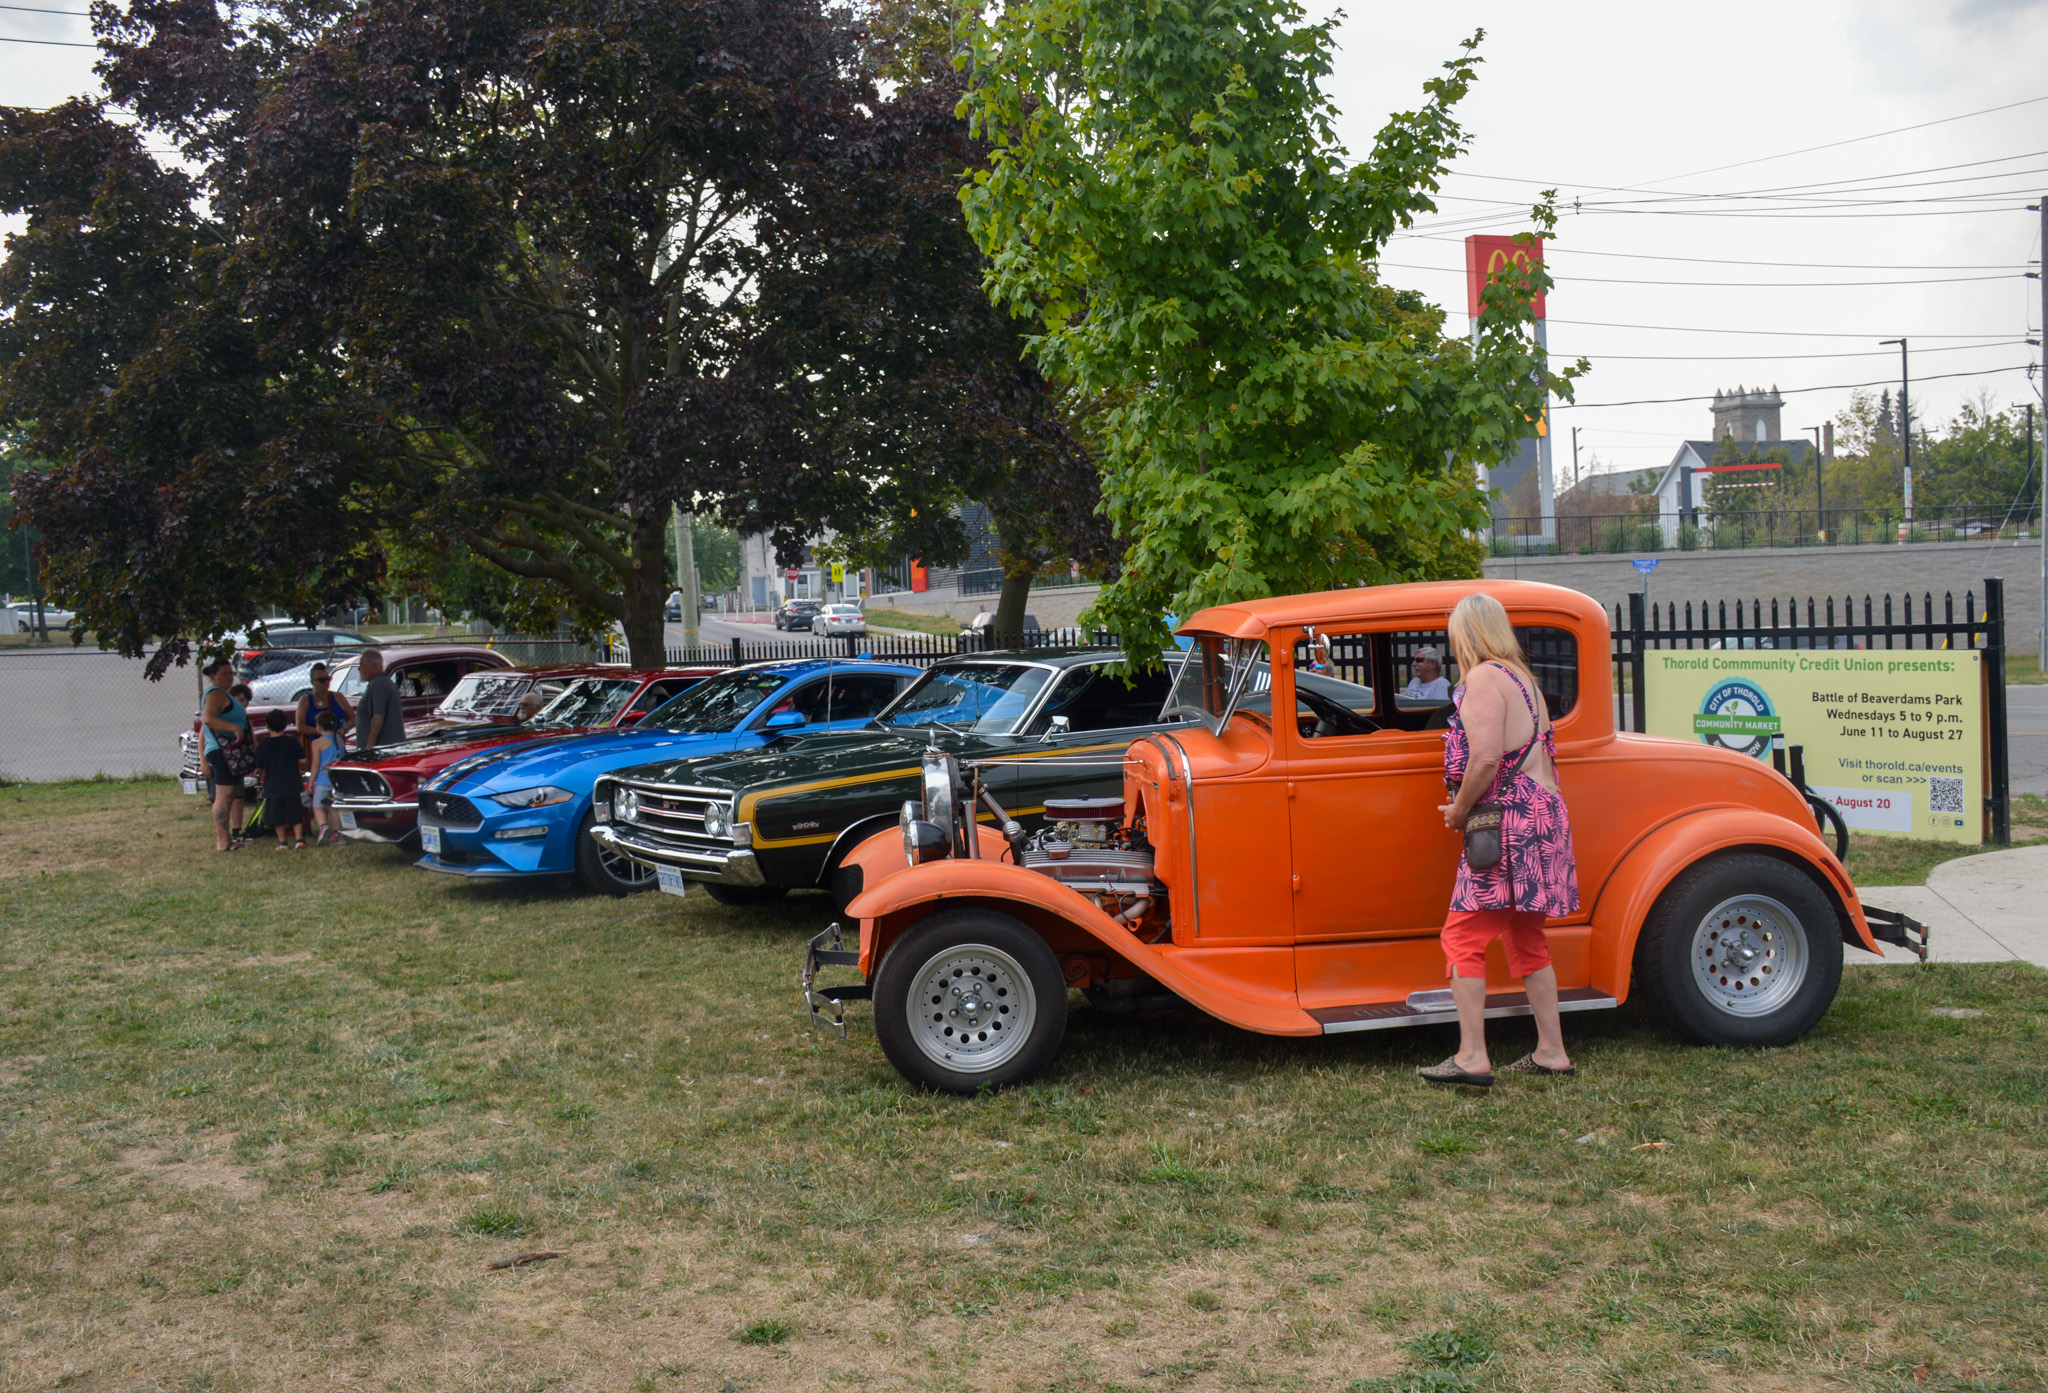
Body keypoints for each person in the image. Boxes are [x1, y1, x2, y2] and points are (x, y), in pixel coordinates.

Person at [1425, 594, 1580, 1088]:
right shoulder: (1523, 680)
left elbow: (1487, 756)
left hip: (1507, 823)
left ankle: (1472, 1056)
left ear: (1465, 634)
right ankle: (1551, 1051)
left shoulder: (1482, 679)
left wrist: (1459, 810)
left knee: (1461, 937)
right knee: (1526, 935)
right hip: (1543, 816)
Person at [199, 659, 249, 852]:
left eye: (231, 673)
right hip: (222, 751)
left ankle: (226, 839)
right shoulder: (215, 694)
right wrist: (233, 728)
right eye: (224, 674)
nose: (229, 677)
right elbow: (208, 719)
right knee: (224, 796)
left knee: (227, 796)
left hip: (226, 751)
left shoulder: (223, 694)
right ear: (213, 676)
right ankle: (223, 841)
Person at [257, 709, 307, 850]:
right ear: (285, 725)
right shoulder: (293, 742)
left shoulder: (264, 745)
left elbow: (260, 767)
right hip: (292, 783)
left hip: (273, 785)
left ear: (267, 725)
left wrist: (260, 774)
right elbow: (303, 761)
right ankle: (299, 839)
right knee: (296, 813)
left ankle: (282, 842)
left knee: (276, 816)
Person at [306, 710, 347, 846]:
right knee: (332, 806)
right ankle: (338, 834)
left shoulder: (317, 743)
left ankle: (323, 826)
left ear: (319, 726)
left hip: (323, 779)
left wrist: (311, 780)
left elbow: (316, 764)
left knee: (317, 805)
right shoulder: (339, 740)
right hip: (337, 780)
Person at [354, 649, 405, 751]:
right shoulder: (386, 683)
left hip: (382, 749)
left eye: (362, 664)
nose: (359, 668)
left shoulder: (378, 685)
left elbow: (378, 716)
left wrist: (369, 746)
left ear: (373, 665)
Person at [296, 662, 354, 745]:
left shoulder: (338, 697)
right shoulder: (305, 700)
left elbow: (353, 718)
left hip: (336, 745)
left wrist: (344, 729)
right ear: (313, 682)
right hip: (314, 746)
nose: (326, 682)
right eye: (322, 680)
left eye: (328, 679)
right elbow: (300, 726)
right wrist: (322, 732)